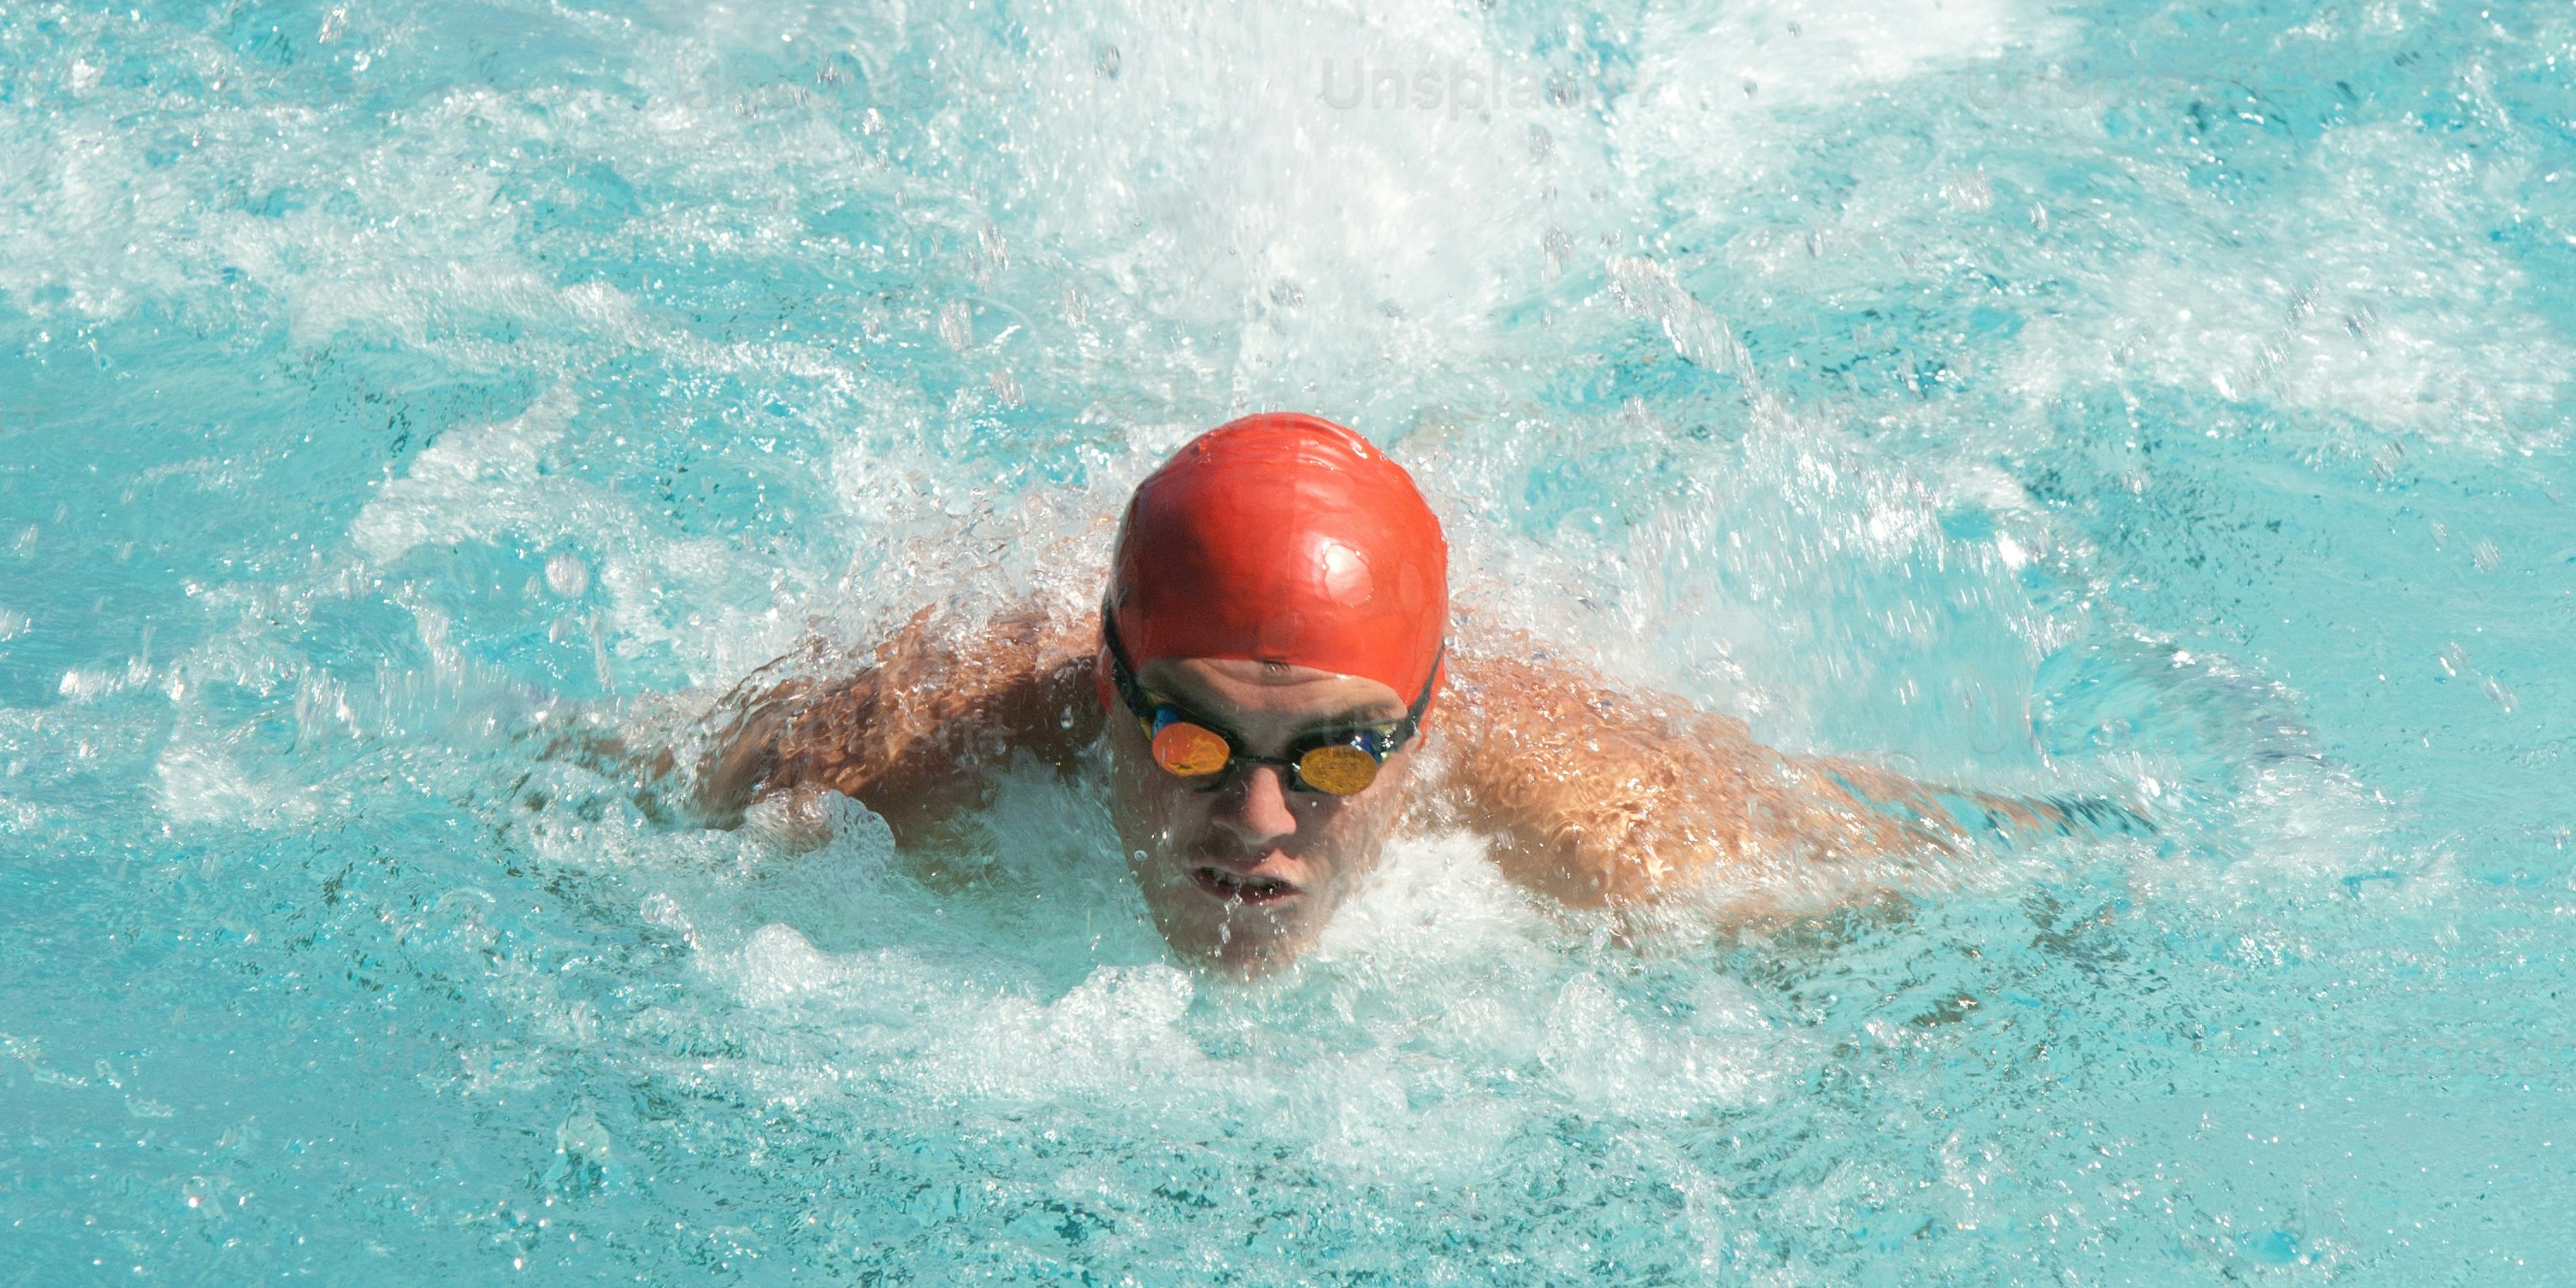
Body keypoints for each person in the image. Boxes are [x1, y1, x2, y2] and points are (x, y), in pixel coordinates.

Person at [690, 410, 2118, 972]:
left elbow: (1989, 857)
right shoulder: (878, 771)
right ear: (1105, 694)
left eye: (1338, 757)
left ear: (1426, 733)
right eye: (1189, 733)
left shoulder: (1618, 834)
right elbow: (575, 804)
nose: (1256, 821)